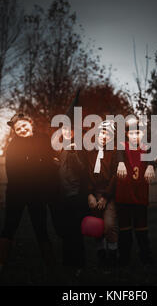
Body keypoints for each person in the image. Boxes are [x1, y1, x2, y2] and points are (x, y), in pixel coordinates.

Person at [0, 113, 59, 272]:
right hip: (17, 192)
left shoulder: (44, 139)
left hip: (37, 193)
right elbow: (13, 172)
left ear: (31, 123)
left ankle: (50, 264)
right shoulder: (13, 147)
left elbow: (51, 160)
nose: (22, 130)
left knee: (41, 227)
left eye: (24, 126)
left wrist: (53, 163)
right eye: (18, 129)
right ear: (14, 132)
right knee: (10, 225)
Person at [52, 90, 89, 274]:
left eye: (69, 129)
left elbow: (84, 171)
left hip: (76, 196)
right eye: (64, 128)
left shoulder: (80, 147)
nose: (66, 132)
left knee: (75, 232)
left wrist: (75, 159)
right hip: (63, 196)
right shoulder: (61, 148)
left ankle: (79, 264)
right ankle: (67, 263)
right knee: (64, 230)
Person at [116, 117, 155, 266]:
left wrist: (151, 165)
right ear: (126, 135)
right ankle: (124, 259)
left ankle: (146, 257)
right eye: (131, 133)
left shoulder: (146, 147)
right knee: (124, 230)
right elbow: (119, 153)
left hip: (140, 196)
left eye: (137, 133)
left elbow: (151, 155)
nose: (134, 136)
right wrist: (120, 162)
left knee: (141, 230)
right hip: (124, 195)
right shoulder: (122, 146)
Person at [83, 120, 122, 268]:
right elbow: (85, 174)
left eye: (107, 133)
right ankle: (101, 255)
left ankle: (112, 255)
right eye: (101, 132)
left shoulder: (114, 152)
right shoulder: (89, 151)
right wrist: (89, 194)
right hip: (93, 191)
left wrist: (106, 196)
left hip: (109, 191)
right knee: (96, 226)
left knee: (109, 224)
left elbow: (115, 176)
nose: (104, 136)